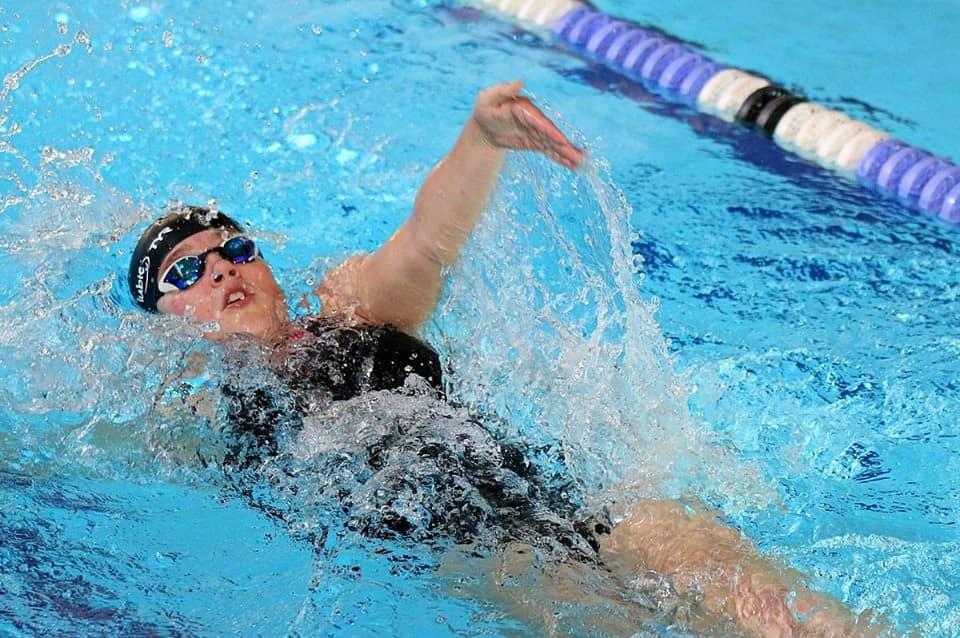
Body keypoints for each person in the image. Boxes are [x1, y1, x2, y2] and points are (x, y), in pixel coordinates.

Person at [128, 82, 885, 637]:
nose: (221, 269)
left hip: (572, 502)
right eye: (186, 273)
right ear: (164, 324)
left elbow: (425, 242)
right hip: (489, 556)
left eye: (233, 248)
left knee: (792, 615)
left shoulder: (350, 306)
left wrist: (481, 139)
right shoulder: (192, 409)